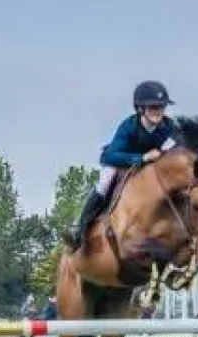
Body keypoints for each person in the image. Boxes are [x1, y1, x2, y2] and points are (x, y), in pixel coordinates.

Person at [66, 80, 179, 248]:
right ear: (141, 109)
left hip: (150, 168)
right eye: (153, 107)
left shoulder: (169, 126)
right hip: (120, 163)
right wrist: (142, 158)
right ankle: (80, 227)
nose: (158, 111)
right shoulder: (129, 126)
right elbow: (110, 156)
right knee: (105, 182)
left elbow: (176, 146)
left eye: (161, 107)